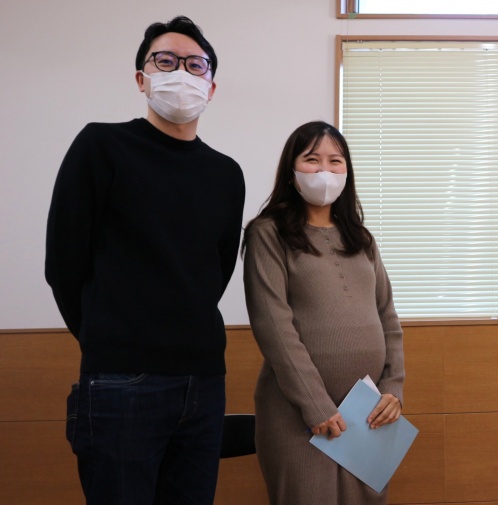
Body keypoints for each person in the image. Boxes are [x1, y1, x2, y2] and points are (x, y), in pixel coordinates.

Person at [45, 15, 245, 505]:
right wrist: (108, 337)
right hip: (120, 380)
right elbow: (64, 263)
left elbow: (214, 272)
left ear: (211, 87)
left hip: (204, 379)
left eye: (195, 65)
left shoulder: (226, 174)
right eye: (166, 61)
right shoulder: (101, 146)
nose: (181, 72)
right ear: (142, 78)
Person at [243, 121, 405, 505]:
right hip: (297, 414)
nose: (325, 171)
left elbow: (388, 318)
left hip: (368, 412)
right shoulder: (268, 233)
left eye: (335, 161)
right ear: (291, 170)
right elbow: (273, 325)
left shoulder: (361, 238)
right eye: (312, 160)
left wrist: (393, 389)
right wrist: (314, 404)